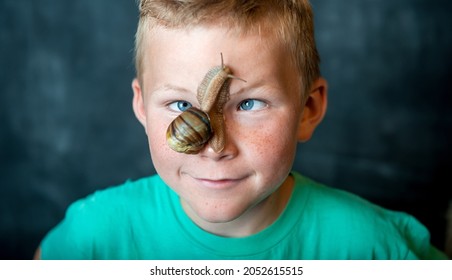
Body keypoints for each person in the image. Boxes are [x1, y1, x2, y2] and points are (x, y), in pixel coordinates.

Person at [34, 0, 448, 260]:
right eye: (181, 106)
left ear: (308, 109)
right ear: (142, 107)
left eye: (249, 104)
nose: (215, 148)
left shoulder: (369, 247)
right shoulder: (93, 239)